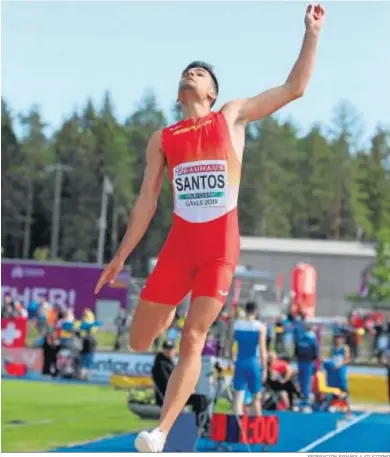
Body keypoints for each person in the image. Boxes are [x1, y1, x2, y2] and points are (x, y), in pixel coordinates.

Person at [94, 4, 325, 451]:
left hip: (219, 249)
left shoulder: (231, 117)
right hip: (179, 248)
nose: (191, 75)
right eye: (187, 71)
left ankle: (160, 431)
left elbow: (295, 88)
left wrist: (312, 33)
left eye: (199, 72)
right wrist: (120, 257)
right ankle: (173, 305)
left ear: (213, 92)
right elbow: (146, 203)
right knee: (141, 340)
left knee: (193, 337)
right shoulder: (162, 139)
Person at [232, 301, 267, 415]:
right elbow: (262, 349)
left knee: (238, 399)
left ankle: (238, 428)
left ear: (245, 310)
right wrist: (265, 368)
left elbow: (229, 346)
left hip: (240, 361)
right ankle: (257, 428)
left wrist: (232, 359)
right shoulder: (260, 327)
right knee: (256, 399)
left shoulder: (236, 324)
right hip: (253, 362)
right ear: (256, 311)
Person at [295, 324, 319, 411]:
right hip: (308, 363)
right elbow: (316, 354)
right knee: (306, 382)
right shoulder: (312, 340)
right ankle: (305, 402)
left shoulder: (300, 339)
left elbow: (296, 351)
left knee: (301, 382)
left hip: (300, 362)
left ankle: (302, 400)